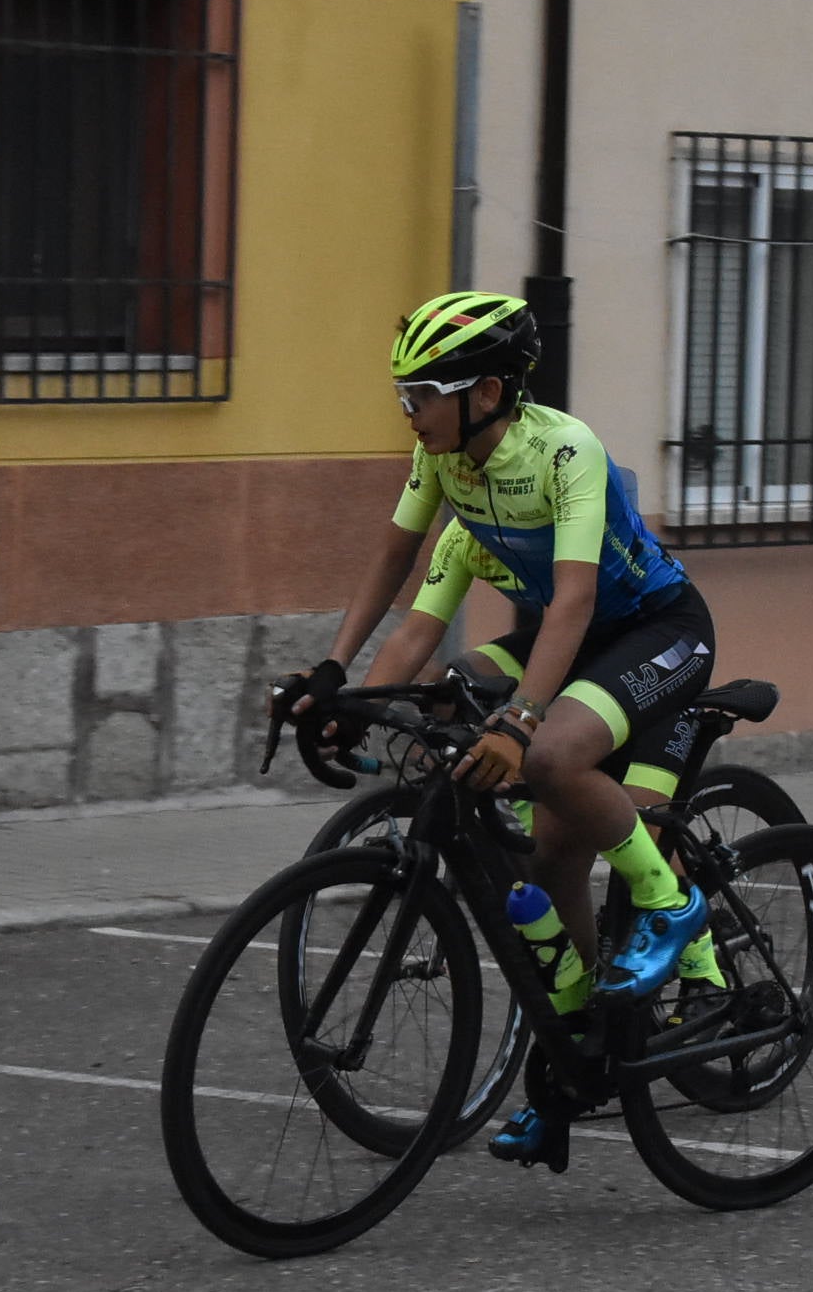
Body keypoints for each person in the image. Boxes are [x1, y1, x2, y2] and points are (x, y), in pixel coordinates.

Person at [273, 291, 721, 1163]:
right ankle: (581, 1046)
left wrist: (520, 724)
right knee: (522, 811)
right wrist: (338, 689)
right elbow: (406, 604)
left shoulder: (563, 450)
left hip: (653, 632)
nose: (409, 411)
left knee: (549, 756)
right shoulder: (447, 469)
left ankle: (673, 905)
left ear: (485, 391)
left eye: (422, 393)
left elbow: (580, 601)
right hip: (565, 642)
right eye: (403, 394)